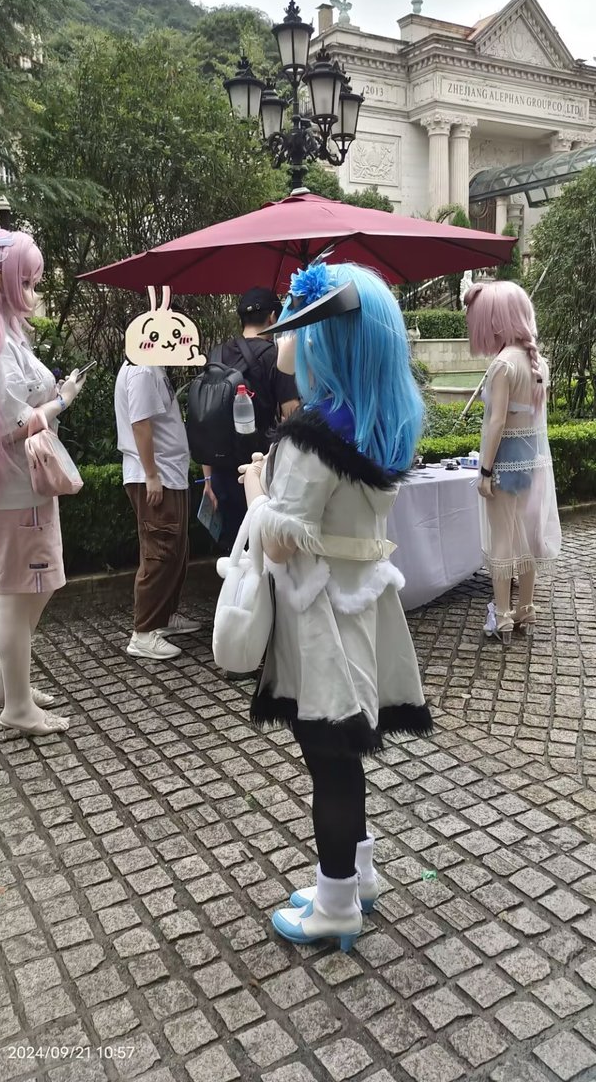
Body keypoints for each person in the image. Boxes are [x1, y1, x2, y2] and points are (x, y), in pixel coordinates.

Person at [239, 261, 432, 952]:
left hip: (319, 616)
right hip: (362, 607)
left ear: (329, 339)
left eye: (298, 324)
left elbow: (281, 540)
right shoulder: (380, 424)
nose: (284, 336)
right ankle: (358, 875)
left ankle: (336, 904)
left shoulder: (308, 437)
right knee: (343, 756)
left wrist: (257, 491)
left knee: (328, 759)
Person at [0, 229, 86, 736]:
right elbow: (14, 422)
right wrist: (62, 400)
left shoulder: (6, 334)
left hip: (24, 487)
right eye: (24, 282)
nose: (30, 292)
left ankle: (9, 687)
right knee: (17, 594)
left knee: (33, 588)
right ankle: (18, 706)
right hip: (17, 489)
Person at [464, 279, 561, 644]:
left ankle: (503, 614)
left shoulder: (503, 365)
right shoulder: (538, 364)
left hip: (505, 463)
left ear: (495, 320)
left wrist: (485, 470)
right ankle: (527, 607)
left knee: (503, 537)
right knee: (527, 536)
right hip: (532, 462)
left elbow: (497, 422)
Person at [114, 357, 200, 660]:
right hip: (155, 475)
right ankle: (144, 632)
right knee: (160, 551)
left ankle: (164, 616)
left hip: (169, 473)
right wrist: (151, 475)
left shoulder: (152, 366)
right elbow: (140, 424)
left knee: (175, 549)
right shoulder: (141, 369)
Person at [202, 288, 299, 550]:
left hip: (221, 471)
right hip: (261, 470)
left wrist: (208, 479)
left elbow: (205, 418)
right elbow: (291, 413)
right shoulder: (275, 356)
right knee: (264, 550)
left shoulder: (216, 354)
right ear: (273, 317)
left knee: (235, 551)